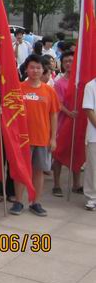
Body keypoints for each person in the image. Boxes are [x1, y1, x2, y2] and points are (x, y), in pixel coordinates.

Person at [11, 55, 59, 217]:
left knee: (38, 171)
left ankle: (35, 202)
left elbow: (54, 115)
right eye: (32, 67)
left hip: (42, 138)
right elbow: (10, 111)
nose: (35, 70)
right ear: (26, 69)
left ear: (43, 70)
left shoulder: (49, 91)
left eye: (38, 67)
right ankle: (18, 201)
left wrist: (53, 138)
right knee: (21, 171)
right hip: (22, 139)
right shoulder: (18, 88)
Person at [52, 51, 80, 196]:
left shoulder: (80, 82)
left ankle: (76, 184)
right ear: (62, 64)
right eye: (66, 61)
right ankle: (56, 184)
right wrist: (69, 113)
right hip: (63, 124)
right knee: (58, 154)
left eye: (71, 61)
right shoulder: (59, 83)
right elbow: (58, 103)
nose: (69, 64)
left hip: (77, 124)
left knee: (76, 153)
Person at [83, 75, 96, 210]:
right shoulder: (91, 86)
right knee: (93, 168)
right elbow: (88, 109)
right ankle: (92, 198)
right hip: (94, 135)